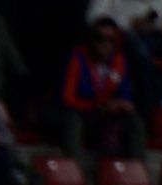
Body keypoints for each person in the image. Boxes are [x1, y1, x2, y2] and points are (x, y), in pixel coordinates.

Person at [59, 19, 142, 166]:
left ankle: (135, 169)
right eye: (99, 38)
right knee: (72, 119)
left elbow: (126, 96)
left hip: (103, 117)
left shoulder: (119, 61)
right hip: (81, 113)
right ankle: (74, 170)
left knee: (133, 120)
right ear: (91, 39)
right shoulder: (78, 58)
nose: (104, 43)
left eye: (110, 39)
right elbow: (67, 98)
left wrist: (121, 104)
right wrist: (97, 105)